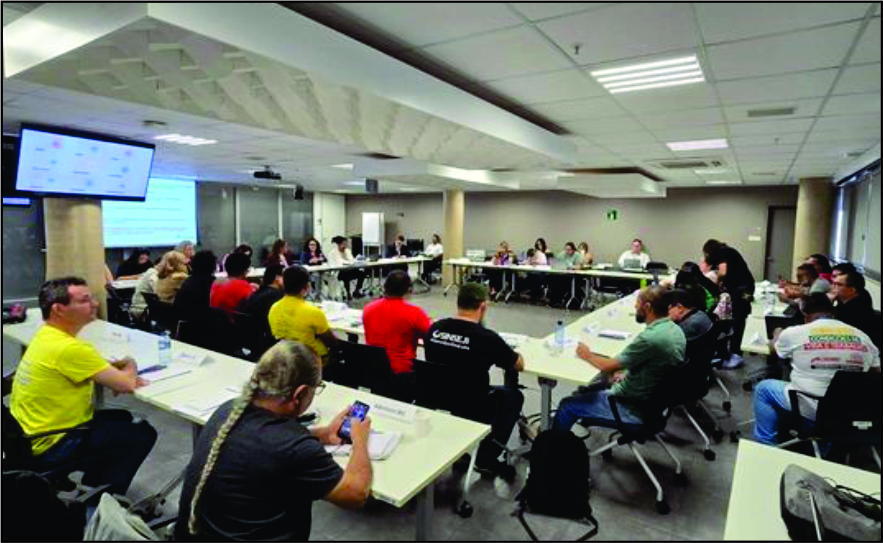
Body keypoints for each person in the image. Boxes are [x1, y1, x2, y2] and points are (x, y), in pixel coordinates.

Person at [175, 340, 372, 542]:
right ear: (300, 393)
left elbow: (266, 446)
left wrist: (324, 434)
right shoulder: (294, 448)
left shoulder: (229, 409)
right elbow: (356, 495)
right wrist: (360, 440)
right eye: (317, 387)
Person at [10, 277, 157, 496]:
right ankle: (100, 503)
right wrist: (130, 364)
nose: (95, 304)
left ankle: (92, 484)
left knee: (122, 418)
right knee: (142, 434)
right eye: (85, 300)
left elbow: (85, 368)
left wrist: (108, 371)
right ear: (59, 309)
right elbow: (126, 383)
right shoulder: (70, 349)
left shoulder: (46, 337)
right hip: (53, 444)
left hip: (27, 437)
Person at [552, 285, 686, 432]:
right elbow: (654, 366)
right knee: (590, 387)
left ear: (647, 307)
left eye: (638, 302)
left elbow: (607, 366)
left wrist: (587, 355)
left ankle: (553, 450)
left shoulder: (650, 338)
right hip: (654, 405)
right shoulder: (675, 330)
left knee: (567, 405)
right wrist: (627, 372)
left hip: (631, 408)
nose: (635, 306)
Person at [424, 283, 524, 479]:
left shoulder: (435, 329)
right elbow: (517, 364)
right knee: (513, 396)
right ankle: (486, 458)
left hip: (438, 398)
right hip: (473, 403)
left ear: (458, 302)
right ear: (483, 306)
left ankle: (461, 451)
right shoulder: (487, 338)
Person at [753, 293, 879, 447]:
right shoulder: (863, 337)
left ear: (804, 314)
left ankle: (766, 446)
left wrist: (777, 335)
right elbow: (875, 373)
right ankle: (826, 443)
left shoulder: (794, 333)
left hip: (813, 409)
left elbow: (774, 351)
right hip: (852, 410)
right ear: (832, 313)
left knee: (763, 388)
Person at [363, 271, 432, 374]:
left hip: (374, 369)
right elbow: (430, 335)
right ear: (409, 289)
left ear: (385, 287)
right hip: (402, 371)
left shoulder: (368, 309)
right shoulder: (415, 313)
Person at [269, 265, 338, 364]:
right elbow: (332, 343)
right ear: (306, 287)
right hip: (314, 359)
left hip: (287, 357)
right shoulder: (313, 312)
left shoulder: (274, 308)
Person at [703, 239, 755, 369]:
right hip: (746, 289)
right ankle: (730, 351)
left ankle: (736, 354)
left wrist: (717, 282)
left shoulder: (722, 252)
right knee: (737, 317)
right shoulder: (728, 252)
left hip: (742, 290)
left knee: (738, 319)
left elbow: (723, 272)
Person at [238, 264, 286, 336]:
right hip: (263, 338)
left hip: (248, 336)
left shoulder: (258, 293)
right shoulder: (276, 295)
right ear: (277, 278)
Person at [175, 250, 218, 322]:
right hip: (200, 326)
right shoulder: (211, 283)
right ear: (213, 266)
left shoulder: (188, 281)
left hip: (183, 324)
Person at [831, 267, 875, 338]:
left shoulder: (857, 311)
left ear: (852, 290)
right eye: (833, 283)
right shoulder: (844, 302)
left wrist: (827, 304)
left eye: (838, 285)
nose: (833, 287)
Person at [328, 236, 365, 300]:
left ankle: (357, 290)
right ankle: (348, 293)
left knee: (361, 273)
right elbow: (339, 262)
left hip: (349, 269)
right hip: (338, 272)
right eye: (344, 244)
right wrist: (349, 263)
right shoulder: (333, 253)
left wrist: (355, 261)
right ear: (339, 244)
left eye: (346, 243)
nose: (345, 245)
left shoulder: (347, 251)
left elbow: (352, 260)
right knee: (346, 275)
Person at [549, 242, 581, 307]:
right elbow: (555, 261)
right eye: (566, 249)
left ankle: (558, 300)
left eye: (569, 249)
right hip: (564, 274)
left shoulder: (577, 255)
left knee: (560, 282)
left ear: (573, 250)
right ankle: (554, 301)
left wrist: (571, 267)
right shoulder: (563, 254)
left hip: (573, 276)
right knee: (552, 278)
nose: (567, 251)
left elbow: (579, 266)